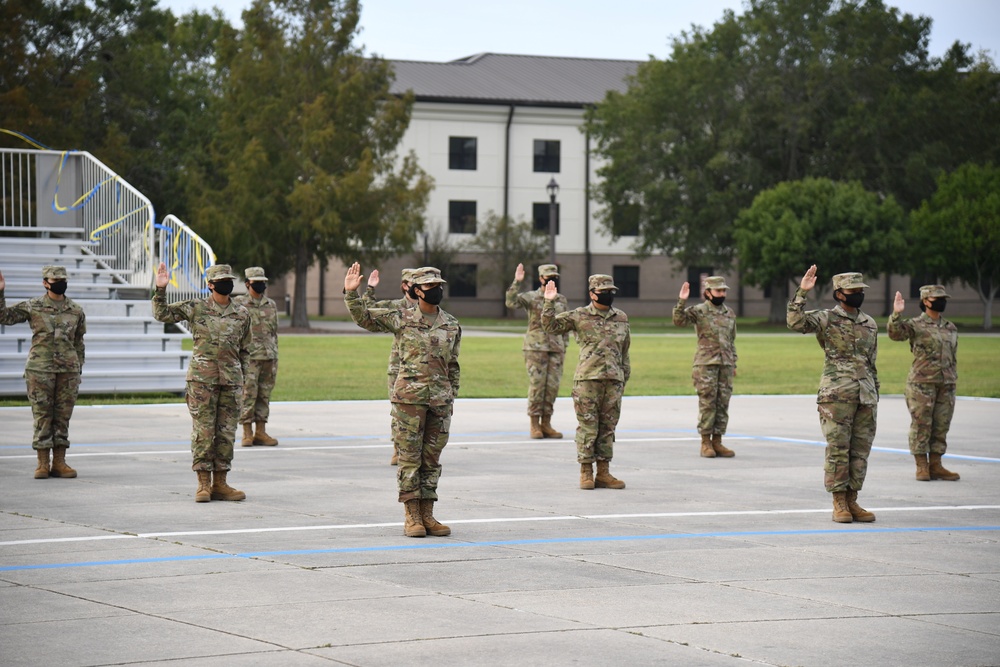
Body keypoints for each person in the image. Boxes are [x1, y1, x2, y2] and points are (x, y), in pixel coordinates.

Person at [345, 263, 461, 538]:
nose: (437, 290)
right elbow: (364, 318)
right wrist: (352, 293)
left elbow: (453, 364)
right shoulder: (401, 316)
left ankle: (428, 514)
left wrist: (451, 394)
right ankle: (412, 516)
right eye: (431, 286)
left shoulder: (451, 324)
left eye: (439, 286)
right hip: (409, 399)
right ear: (417, 290)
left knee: (431, 460)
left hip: (440, 402)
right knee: (409, 458)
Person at [153, 262, 252, 503]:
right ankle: (203, 484)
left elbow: (245, 350)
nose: (226, 284)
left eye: (229, 279)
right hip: (202, 381)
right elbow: (161, 314)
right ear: (210, 285)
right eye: (221, 281)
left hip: (230, 382)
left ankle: (221, 483)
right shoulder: (196, 307)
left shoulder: (241, 313)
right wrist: (160, 289)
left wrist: (243, 378)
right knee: (204, 433)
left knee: (226, 434)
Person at [787, 265, 879, 523]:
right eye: (853, 290)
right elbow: (795, 323)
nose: (858, 294)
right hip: (836, 396)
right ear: (839, 293)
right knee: (839, 449)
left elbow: (872, 362)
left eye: (861, 290)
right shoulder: (827, 318)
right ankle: (838, 502)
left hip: (865, 395)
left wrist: (875, 392)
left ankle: (853, 500)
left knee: (860, 451)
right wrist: (802, 294)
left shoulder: (869, 323)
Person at [541, 274, 630, 490]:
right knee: (588, 428)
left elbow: (624, 351)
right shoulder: (579, 316)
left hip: (613, 381)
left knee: (608, 427)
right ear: (592, 294)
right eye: (604, 292)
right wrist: (549, 302)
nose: (608, 295)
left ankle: (604, 472)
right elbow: (550, 326)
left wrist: (623, 376)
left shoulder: (621, 318)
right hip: (587, 380)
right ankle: (586, 471)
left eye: (611, 292)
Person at [0, 265, 85, 479]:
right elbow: (4, 317)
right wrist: (0, 292)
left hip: (68, 371)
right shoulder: (33, 306)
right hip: (39, 370)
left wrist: (78, 368)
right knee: (42, 416)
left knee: (63, 417)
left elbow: (79, 342)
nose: (59, 282)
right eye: (54, 279)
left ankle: (59, 462)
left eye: (62, 279)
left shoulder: (76, 310)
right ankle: (42, 464)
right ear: (45, 283)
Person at [888, 285, 961, 482]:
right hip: (921, 383)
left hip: (946, 383)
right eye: (937, 298)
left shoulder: (950, 327)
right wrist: (896, 313)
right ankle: (921, 465)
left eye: (943, 298)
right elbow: (895, 334)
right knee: (922, 424)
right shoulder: (915, 325)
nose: (941, 301)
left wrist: (953, 378)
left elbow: (952, 357)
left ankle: (936, 465)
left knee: (941, 425)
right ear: (926, 301)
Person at [673, 276, 738, 458]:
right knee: (708, 403)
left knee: (722, 403)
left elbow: (731, 340)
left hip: (725, 364)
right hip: (705, 364)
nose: (722, 294)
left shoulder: (729, 313)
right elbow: (679, 321)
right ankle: (706, 442)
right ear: (708, 293)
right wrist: (682, 301)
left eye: (724, 291)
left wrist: (734, 361)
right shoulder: (699, 311)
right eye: (718, 291)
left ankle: (718, 441)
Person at [505, 263, 569, 439]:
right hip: (535, 347)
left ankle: (546, 423)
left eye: (555, 277)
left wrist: (565, 345)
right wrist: (517, 282)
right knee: (538, 385)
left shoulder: (561, 299)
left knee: (552, 387)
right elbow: (511, 302)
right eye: (548, 277)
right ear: (540, 278)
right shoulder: (532, 297)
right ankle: (534, 424)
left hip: (556, 348)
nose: (551, 279)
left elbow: (565, 324)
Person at [363, 267, 418, 465]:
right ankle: (398, 449)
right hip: (400, 367)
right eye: (415, 284)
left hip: (424, 369)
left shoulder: (428, 307)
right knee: (399, 412)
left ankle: (415, 450)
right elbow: (367, 310)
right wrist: (370, 288)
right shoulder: (395, 307)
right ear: (405, 286)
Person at [234, 267, 279, 447]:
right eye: (256, 282)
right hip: (249, 358)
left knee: (264, 394)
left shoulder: (271, 305)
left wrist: (274, 354)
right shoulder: (239, 304)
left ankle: (261, 431)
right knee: (248, 394)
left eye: (263, 282)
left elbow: (274, 332)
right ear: (247, 284)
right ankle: (247, 432)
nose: (261, 285)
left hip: (269, 356)